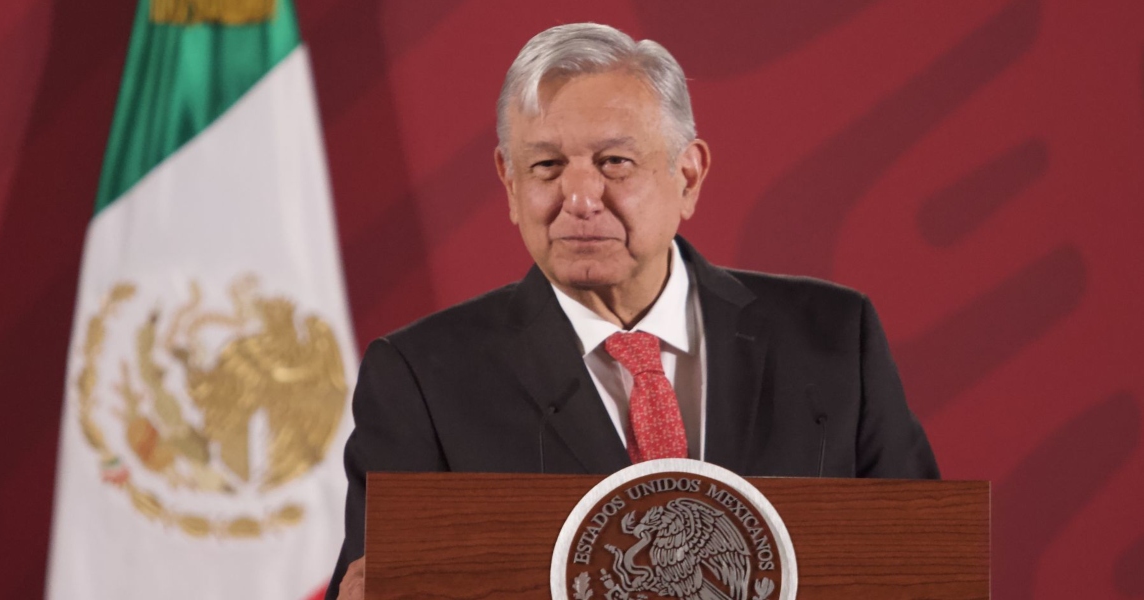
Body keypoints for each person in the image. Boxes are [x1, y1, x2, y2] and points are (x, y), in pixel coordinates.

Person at [326, 22, 938, 599]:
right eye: (546, 166)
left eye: (614, 162)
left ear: (688, 175)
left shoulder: (834, 337)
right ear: (510, 183)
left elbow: (927, 564)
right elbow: (372, 583)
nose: (579, 198)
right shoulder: (422, 377)